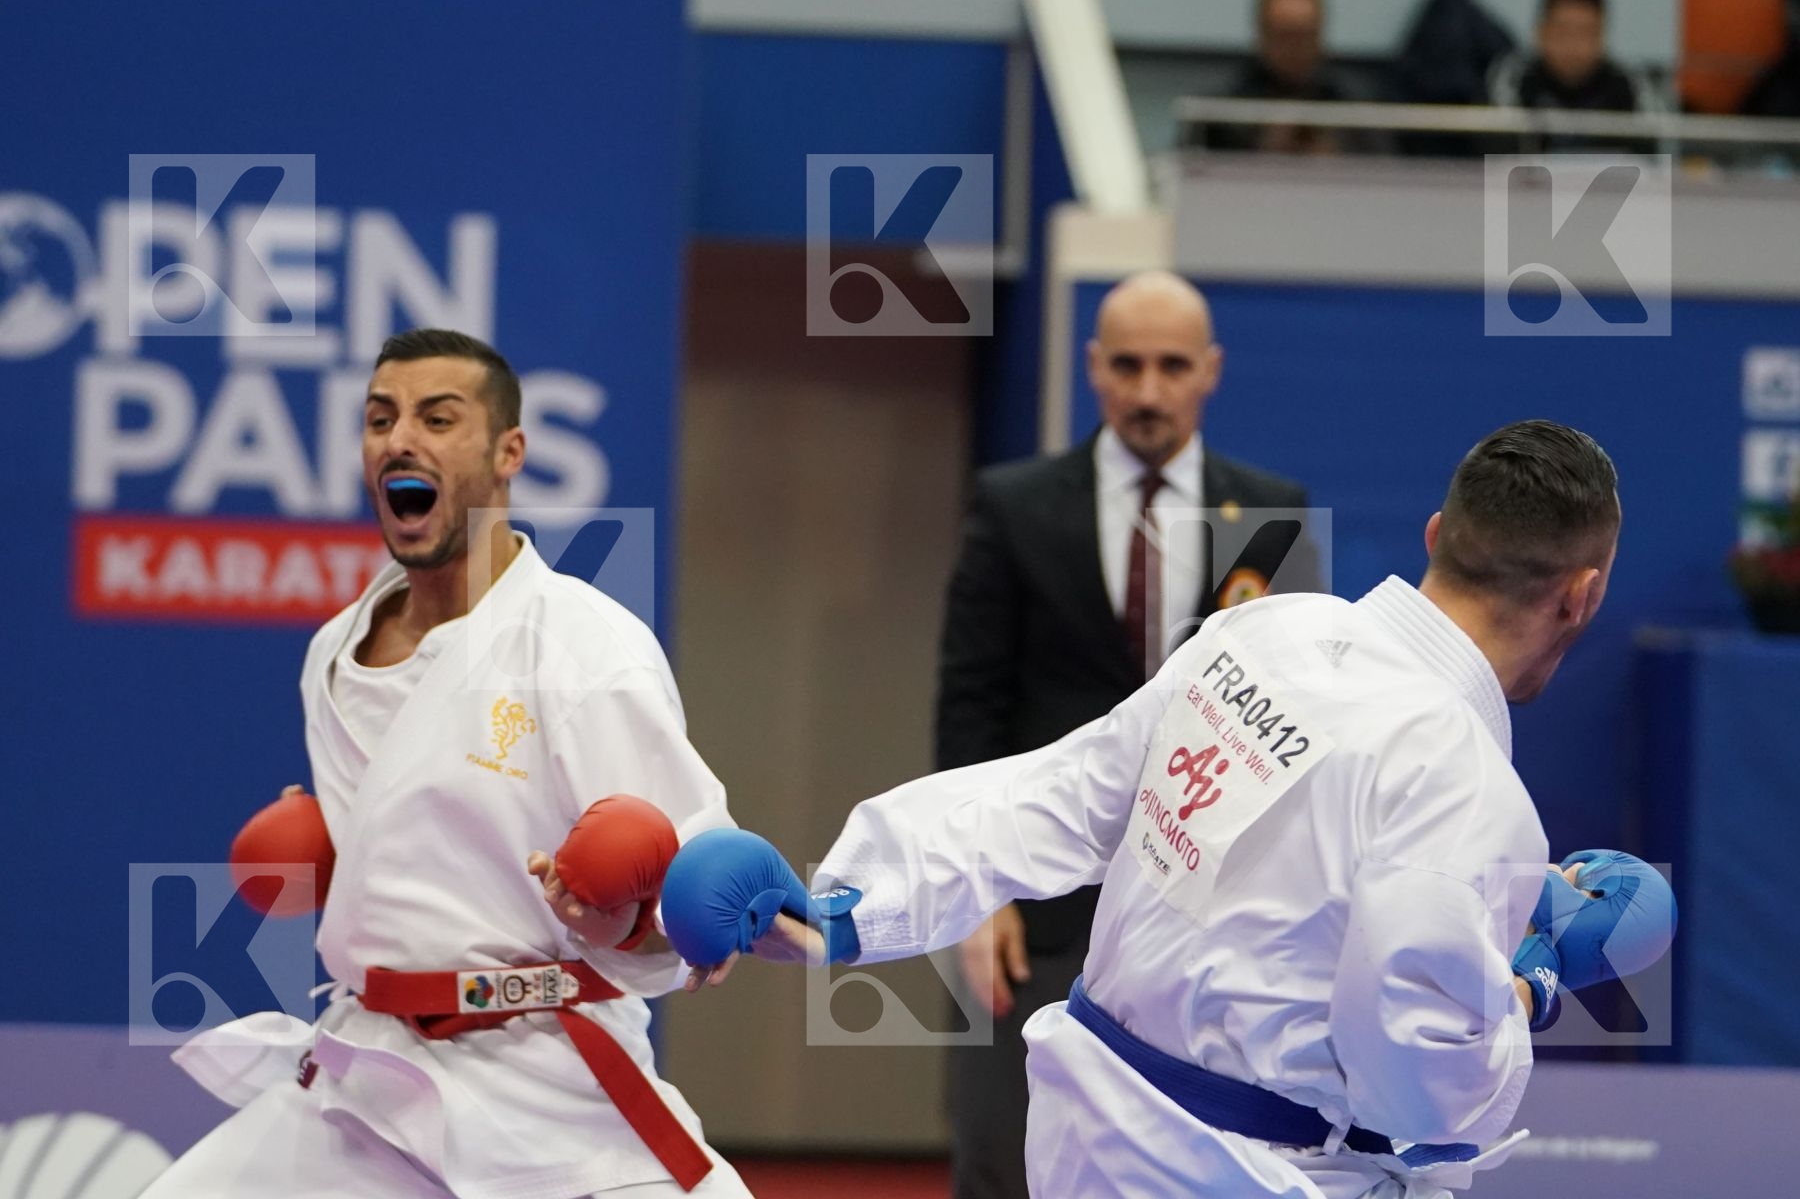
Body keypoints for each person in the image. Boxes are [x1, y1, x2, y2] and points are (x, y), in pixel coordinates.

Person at [675, 421, 1677, 1197]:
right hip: (1248, 1170)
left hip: (1085, 1135)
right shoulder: (1470, 788)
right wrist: (1531, 983)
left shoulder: (1268, 632)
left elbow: (1069, 793)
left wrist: (845, 910)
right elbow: (1417, 1078)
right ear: (1583, 596)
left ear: (1435, 537)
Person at [143, 329, 751, 1198]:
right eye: (381, 418)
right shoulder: (335, 652)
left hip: (543, 1082)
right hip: (371, 1077)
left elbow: (696, 909)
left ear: (509, 452)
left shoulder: (583, 647)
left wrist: (617, 913)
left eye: (437, 417)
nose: (400, 439)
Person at [935, 270, 1317, 1199]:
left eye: (1173, 366)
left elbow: (1301, 721)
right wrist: (978, 891)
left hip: (1211, 912)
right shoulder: (1014, 505)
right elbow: (969, 703)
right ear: (1093, 368)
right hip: (1036, 899)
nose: (1150, 391)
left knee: (1190, 1168)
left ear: (1212, 371)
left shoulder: (1270, 514)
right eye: (1130, 365)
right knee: (1001, 1156)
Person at [1196, 0, 1388, 155]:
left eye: (1306, 36)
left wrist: (1337, 156)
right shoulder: (1222, 112)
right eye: (1286, 36)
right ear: (1262, 36)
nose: (1296, 48)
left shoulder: (1353, 108)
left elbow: (1389, 172)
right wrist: (1259, 152)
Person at [1487, 0, 1660, 153]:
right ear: (1541, 32)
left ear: (1602, 36)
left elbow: (1653, 148)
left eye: (1586, 33)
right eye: (1563, 32)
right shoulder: (1514, 78)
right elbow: (1500, 149)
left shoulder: (1628, 84)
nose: (1573, 46)